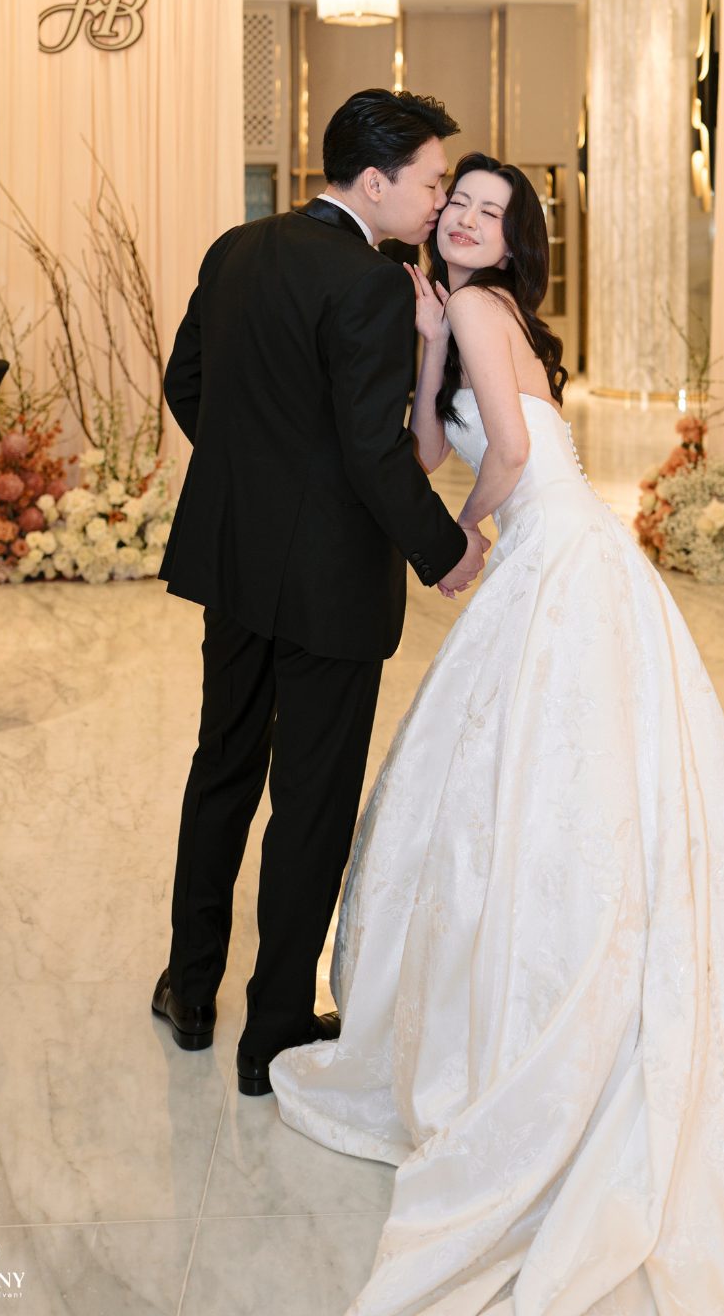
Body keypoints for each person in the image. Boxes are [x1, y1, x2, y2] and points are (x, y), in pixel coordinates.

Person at [269, 153, 724, 1314]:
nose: (466, 218)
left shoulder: (481, 306)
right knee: (579, 788)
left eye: (490, 210)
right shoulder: (466, 313)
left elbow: (504, 457)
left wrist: (460, 540)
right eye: (458, 203)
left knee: (540, 785)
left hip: (553, 558)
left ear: (513, 237)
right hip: (575, 555)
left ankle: (555, 1027)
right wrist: (425, 350)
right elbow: (430, 447)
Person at [152, 90, 490, 1098]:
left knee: (222, 766)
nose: (438, 202)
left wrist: (257, 480)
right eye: (431, 182)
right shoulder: (371, 284)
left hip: (233, 560)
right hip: (329, 583)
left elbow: (186, 384)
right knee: (309, 798)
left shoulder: (236, 248)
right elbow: (371, 451)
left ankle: (190, 988)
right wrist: (443, 549)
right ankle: (274, 1030)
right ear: (373, 182)